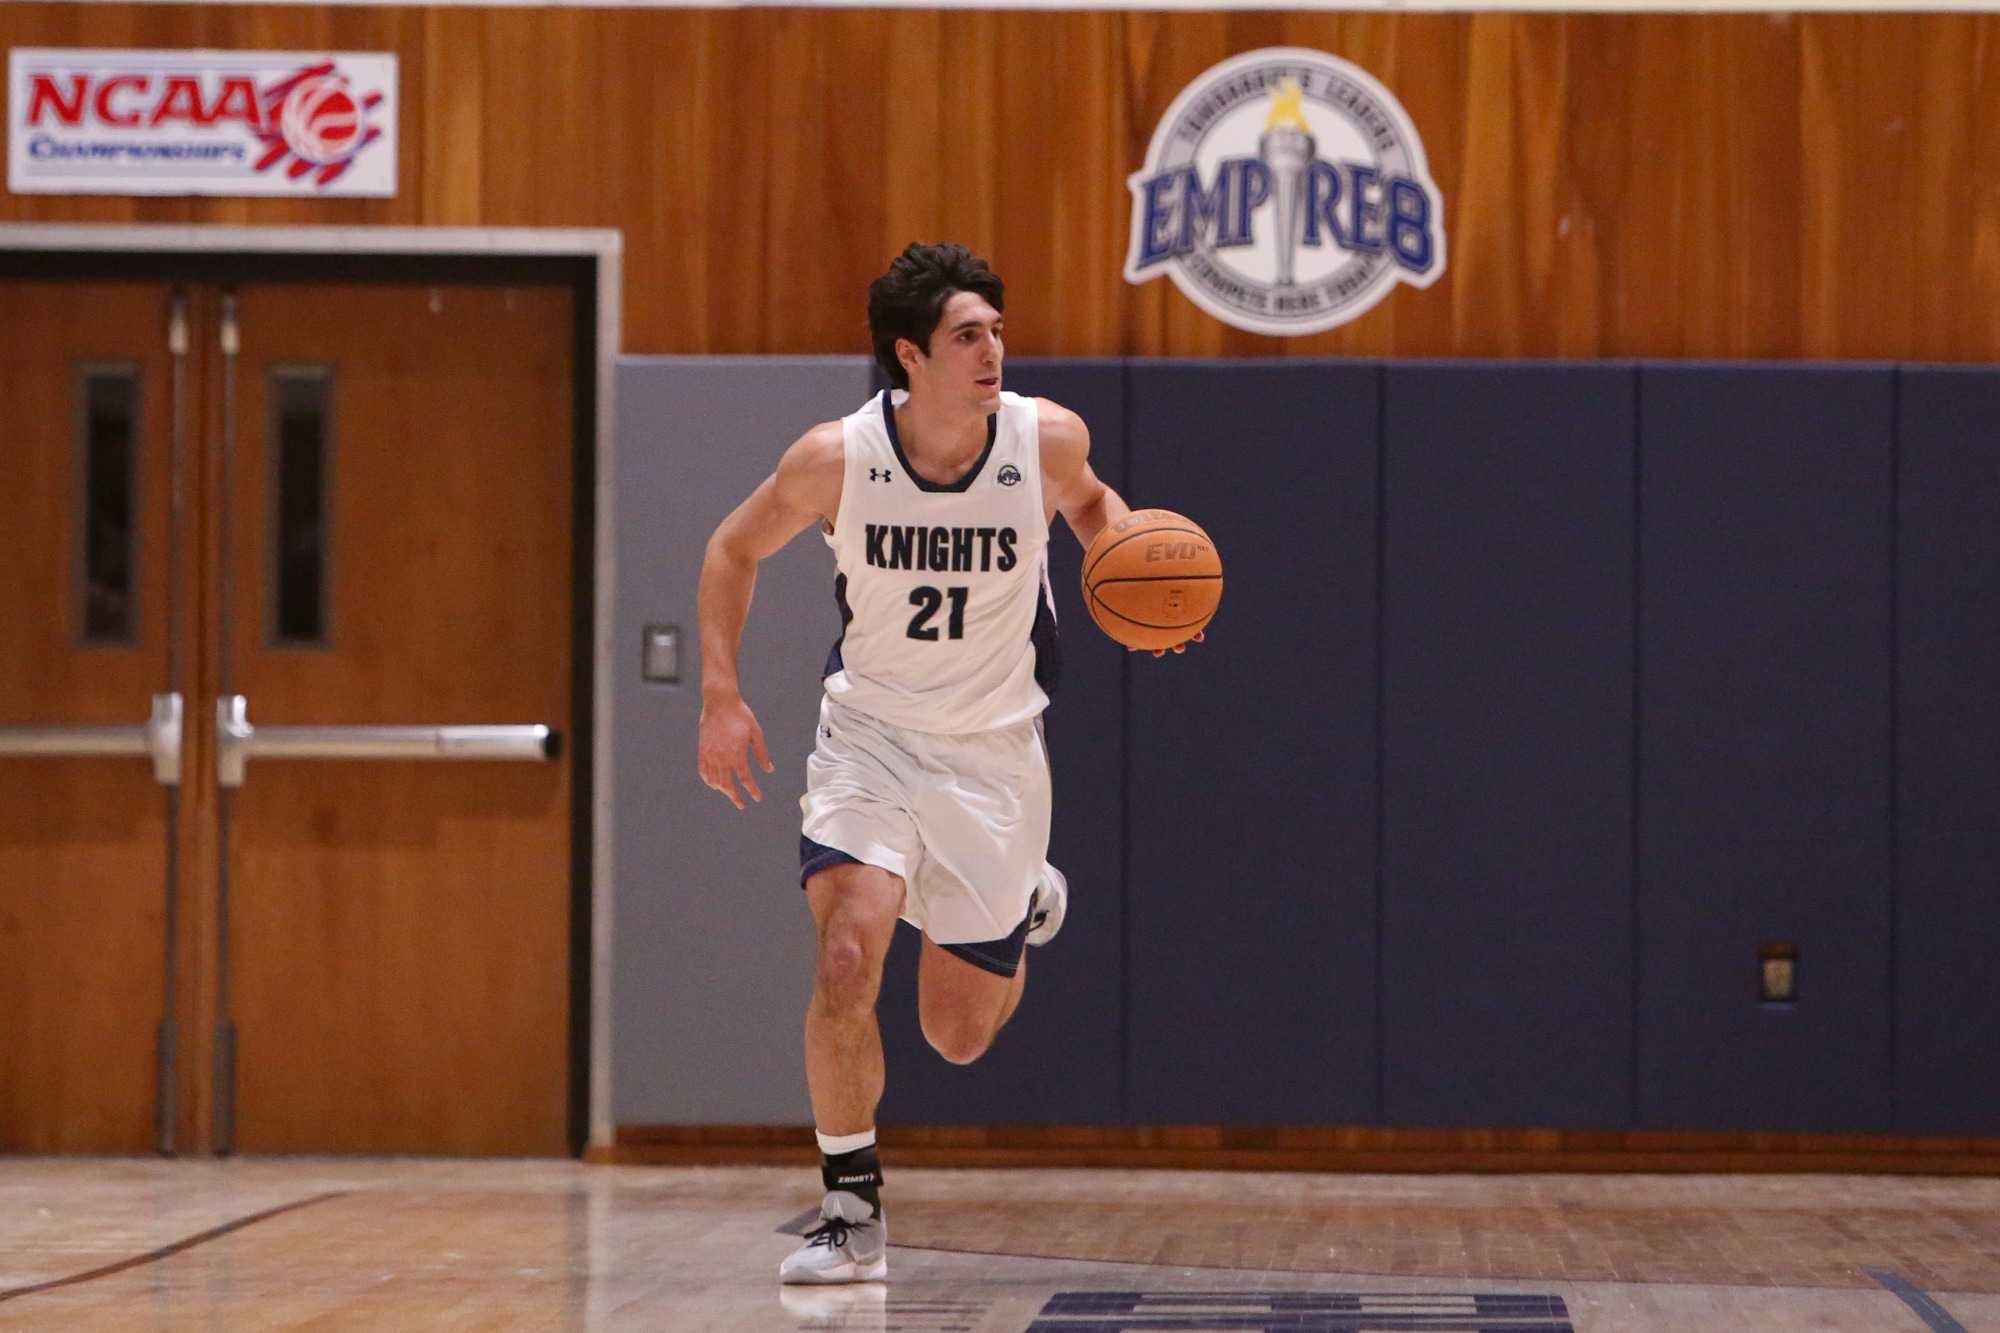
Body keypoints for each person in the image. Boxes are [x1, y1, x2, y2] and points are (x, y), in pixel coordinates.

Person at [695, 242, 1197, 1286]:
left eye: (996, 332)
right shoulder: (833, 459)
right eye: (967, 335)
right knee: (845, 954)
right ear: (907, 355)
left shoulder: (1044, 439)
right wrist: (720, 693)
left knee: (957, 1037)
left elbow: (1097, 508)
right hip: (869, 739)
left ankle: (1026, 902)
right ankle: (849, 1207)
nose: (991, 352)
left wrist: (1132, 556)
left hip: (993, 756)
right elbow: (731, 548)